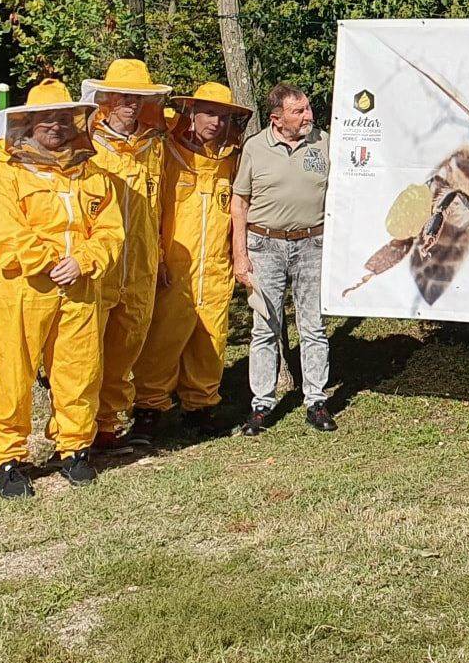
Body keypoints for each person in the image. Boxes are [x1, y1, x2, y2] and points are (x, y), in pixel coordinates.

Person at [0, 80, 126, 498]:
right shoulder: (4, 175)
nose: (56, 127)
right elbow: (3, 230)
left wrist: (83, 260)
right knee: (14, 371)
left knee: (79, 368)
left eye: (63, 119)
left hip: (79, 284)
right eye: (47, 120)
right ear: (27, 125)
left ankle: (74, 447)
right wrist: (46, 261)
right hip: (22, 289)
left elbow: (111, 232)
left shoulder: (93, 174)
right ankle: (7, 459)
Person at [131, 83, 250, 441]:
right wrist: (160, 256)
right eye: (209, 113)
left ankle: (200, 407)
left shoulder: (232, 159)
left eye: (223, 115)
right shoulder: (168, 152)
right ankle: (148, 409)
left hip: (215, 264)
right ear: (192, 113)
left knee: (211, 336)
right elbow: (152, 210)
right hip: (175, 265)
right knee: (162, 337)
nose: (216, 122)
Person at [232, 83, 334, 434]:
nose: (308, 116)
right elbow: (239, 202)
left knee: (313, 326)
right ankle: (261, 404)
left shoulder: (324, 141)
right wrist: (239, 254)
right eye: (299, 111)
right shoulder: (255, 148)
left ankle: (316, 400)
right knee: (264, 328)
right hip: (265, 245)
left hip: (312, 244)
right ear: (277, 119)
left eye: (307, 108)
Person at [81, 59, 172, 453]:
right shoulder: (86, 144)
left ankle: (107, 427)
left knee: (126, 344)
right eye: (121, 96)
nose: (129, 104)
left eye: (137, 98)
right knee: (86, 348)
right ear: (104, 99)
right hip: (99, 263)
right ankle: (75, 433)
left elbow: (158, 205)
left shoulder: (153, 146)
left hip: (141, 262)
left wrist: (161, 255)